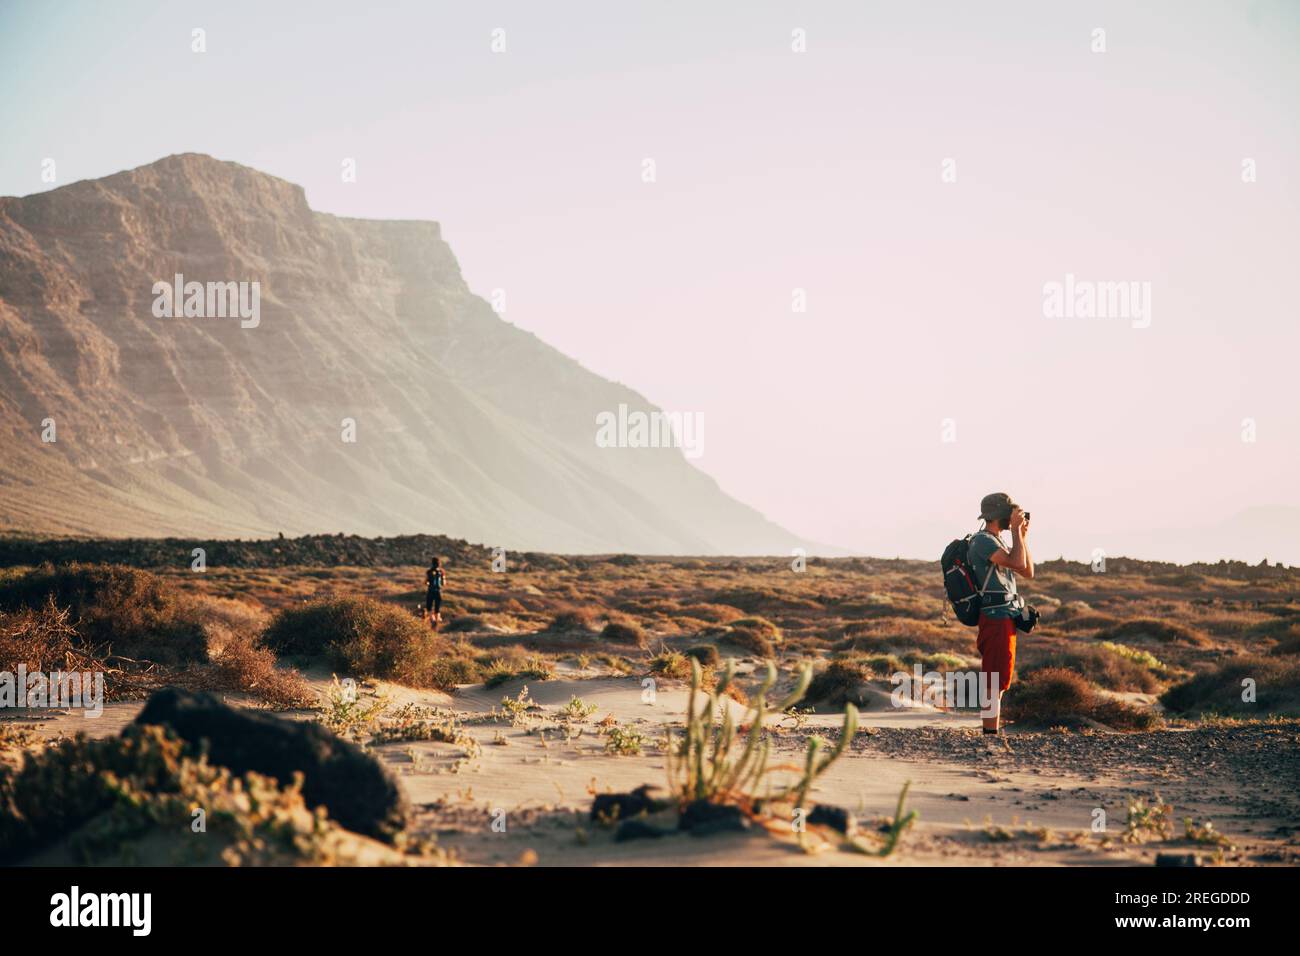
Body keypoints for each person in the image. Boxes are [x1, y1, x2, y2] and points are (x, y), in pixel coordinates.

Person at [966, 492, 1034, 735]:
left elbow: (1027, 571)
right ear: (998, 515)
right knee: (994, 680)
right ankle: (989, 734)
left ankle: (990, 731)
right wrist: (1016, 533)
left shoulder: (999, 541)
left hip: (1005, 615)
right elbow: (1017, 564)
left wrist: (1022, 537)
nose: (1012, 518)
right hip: (995, 616)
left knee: (1001, 678)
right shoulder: (983, 541)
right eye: (1009, 514)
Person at [425, 557, 445, 628]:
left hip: (430, 591)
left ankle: (432, 619)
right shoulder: (441, 572)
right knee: (437, 607)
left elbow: (426, 582)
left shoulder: (429, 571)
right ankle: (437, 621)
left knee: (429, 607)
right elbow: (444, 583)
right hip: (438, 591)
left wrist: (428, 583)